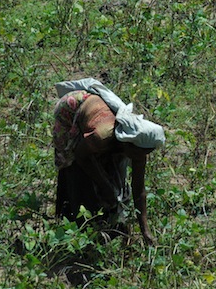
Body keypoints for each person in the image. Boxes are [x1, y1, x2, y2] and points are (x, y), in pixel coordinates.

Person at [52, 79, 165, 245]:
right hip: (71, 108)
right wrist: (104, 185)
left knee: (112, 170)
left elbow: (138, 189)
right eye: (139, 153)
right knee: (73, 167)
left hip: (98, 123)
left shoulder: (139, 147)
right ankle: (71, 217)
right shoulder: (102, 136)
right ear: (128, 143)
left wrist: (145, 231)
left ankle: (108, 221)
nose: (141, 157)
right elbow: (81, 155)